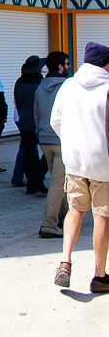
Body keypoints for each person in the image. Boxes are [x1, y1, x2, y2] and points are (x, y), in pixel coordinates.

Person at [51, 41, 109, 293]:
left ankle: (65, 261)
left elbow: (56, 121)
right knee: (102, 216)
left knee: (75, 210)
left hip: (74, 162)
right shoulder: (107, 88)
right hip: (103, 165)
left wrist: (73, 145)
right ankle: (99, 275)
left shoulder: (68, 85)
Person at [34, 51, 69, 238]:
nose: (69, 66)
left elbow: (36, 113)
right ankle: (48, 224)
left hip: (45, 141)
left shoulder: (41, 87)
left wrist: (39, 134)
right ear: (61, 66)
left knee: (58, 182)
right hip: (62, 141)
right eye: (67, 63)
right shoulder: (68, 86)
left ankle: (64, 217)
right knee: (58, 183)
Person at [14, 55, 48, 195]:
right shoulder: (41, 83)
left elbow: (18, 102)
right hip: (39, 122)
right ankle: (37, 178)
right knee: (48, 151)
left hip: (23, 122)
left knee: (28, 152)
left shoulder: (19, 81)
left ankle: (30, 181)